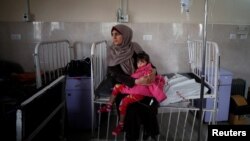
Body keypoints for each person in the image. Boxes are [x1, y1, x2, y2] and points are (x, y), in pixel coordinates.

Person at [95, 24, 160, 141]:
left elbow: (148, 64)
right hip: (125, 86)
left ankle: (149, 132)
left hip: (142, 85)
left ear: (125, 35)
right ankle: (132, 136)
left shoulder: (135, 47)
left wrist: (153, 72)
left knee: (151, 102)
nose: (114, 37)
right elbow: (115, 75)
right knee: (131, 109)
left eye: (117, 34)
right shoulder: (112, 52)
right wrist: (135, 81)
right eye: (112, 35)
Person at [98, 52, 166, 136]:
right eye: (138, 62)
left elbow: (148, 77)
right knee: (117, 87)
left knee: (124, 102)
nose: (140, 64)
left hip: (139, 92)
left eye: (142, 62)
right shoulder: (114, 56)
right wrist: (134, 81)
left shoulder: (147, 70)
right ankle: (109, 105)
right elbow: (127, 78)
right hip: (132, 86)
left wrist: (152, 72)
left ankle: (121, 125)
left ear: (147, 63)